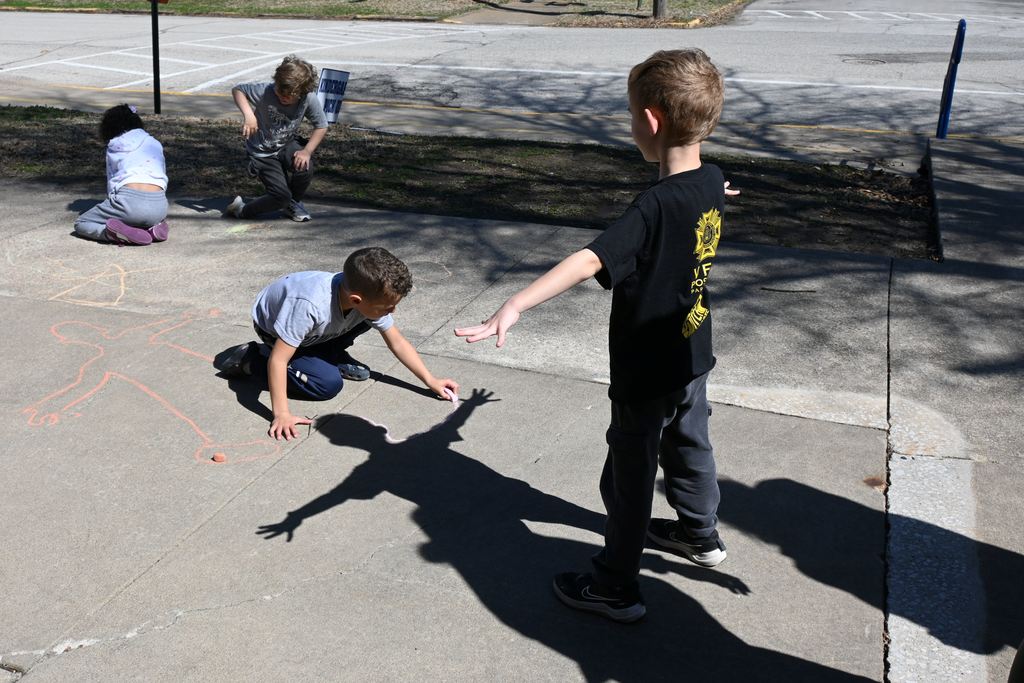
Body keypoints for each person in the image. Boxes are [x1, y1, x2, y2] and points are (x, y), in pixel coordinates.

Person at [455, 48, 734, 623]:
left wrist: (515, 304)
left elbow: (588, 260)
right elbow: (716, 188)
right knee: (690, 444)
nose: (631, 126)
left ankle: (615, 588)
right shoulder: (711, 178)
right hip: (692, 352)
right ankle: (699, 535)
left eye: (632, 116)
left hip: (645, 368)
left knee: (629, 479)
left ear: (652, 122)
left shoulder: (653, 206)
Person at [220, 247, 459, 441]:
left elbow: (396, 341)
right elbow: (280, 360)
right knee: (326, 384)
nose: (392, 311)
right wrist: (281, 414)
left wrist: (431, 380)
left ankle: (327, 354)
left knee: (369, 320)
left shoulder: (365, 296)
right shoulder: (309, 306)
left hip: (316, 333)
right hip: (276, 331)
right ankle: (251, 359)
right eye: (388, 307)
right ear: (356, 299)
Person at [224, 55, 328, 223]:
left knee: (304, 167)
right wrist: (249, 115)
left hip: (286, 144)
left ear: (302, 92)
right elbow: (238, 90)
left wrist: (307, 151)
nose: (282, 98)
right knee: (280, 195)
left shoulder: (308, 98)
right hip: (262, 152)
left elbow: (321, 125)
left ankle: (291, 203)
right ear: (276, 84)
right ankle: (242, 210)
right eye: (280, 93)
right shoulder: (266, 91)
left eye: (288, 97)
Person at [74, 103, 169, 245]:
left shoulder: (114, 145)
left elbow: (112, 182)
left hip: (129, 202)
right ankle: (152, 228)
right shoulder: (154, 142)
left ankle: (112, 234)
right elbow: (161, 173)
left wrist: (113, 202)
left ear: (109, 128)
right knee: (139, 216)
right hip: (160, 206)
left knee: (82, 222)